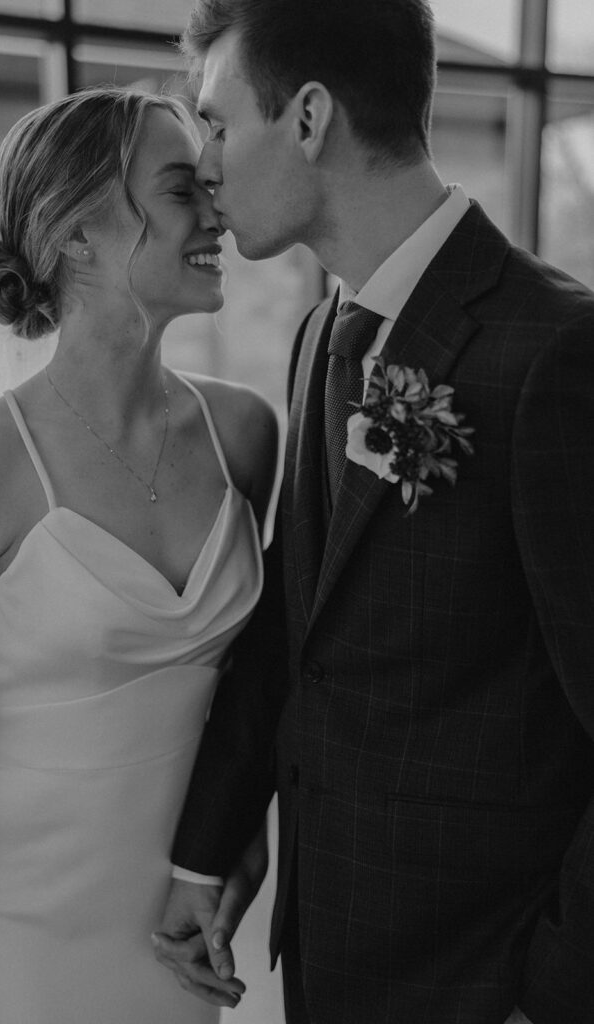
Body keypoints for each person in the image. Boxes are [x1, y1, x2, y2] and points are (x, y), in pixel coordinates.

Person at [152, 2, 594, 1022]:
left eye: (215, 121)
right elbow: (297, 626)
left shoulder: (555, 354)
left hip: (485, 978)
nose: (202, 163)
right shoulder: (321, 333)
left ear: (307, 117)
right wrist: (204, 845)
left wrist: (552, 994)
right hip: (332, 960)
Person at [0, 85, 278, 1024]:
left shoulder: (244, 432)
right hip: (18, 927)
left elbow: (253, 681)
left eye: (210, 185)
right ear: (79, 233)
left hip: (180, 923)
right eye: (180, 192)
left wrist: (237, 837)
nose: (217, 214)